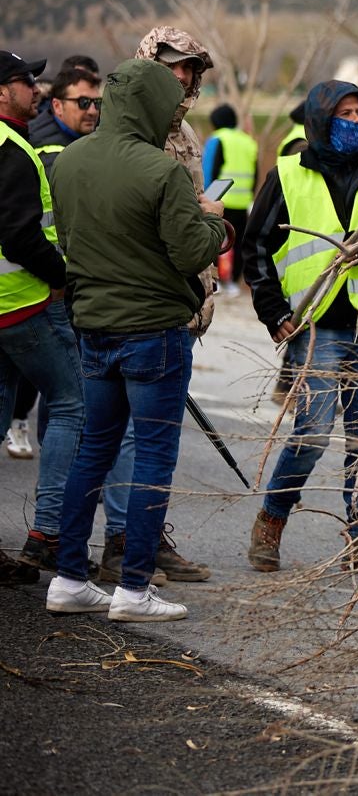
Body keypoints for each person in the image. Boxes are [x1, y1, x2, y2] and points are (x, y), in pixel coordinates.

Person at [46, 57, 229, 621]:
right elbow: (191, 252)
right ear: (152, 106)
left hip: (93, 326)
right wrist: (216, 220)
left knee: (93, 450)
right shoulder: (161, 170)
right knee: (152, 455)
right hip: (153, 331)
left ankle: (69, 577)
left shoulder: (67, 161)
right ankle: (133, 589)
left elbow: (71, 238)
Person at [241, 81, 358, 574]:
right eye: (344, 113)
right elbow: (254, 248)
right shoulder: (287, 175)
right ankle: (272, 518)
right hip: (315, 326)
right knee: (313, 433)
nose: (355, 123)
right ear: (321, 118)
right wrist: (274, 313)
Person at [0, 51, 86, 577]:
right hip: (26, 304)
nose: (36, 88)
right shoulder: (11, 148)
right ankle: (47, 534)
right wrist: (62, 276)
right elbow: (19, 234)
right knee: (74, 404)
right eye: (24, 81)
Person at [203, 103, 258, 294]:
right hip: (242, 201)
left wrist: (205, 197)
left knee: (215, 240)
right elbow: (255, 172)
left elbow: (209, 170)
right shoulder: (248, 141)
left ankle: (214, 279)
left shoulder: (217, 139)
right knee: (239, 243)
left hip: (219, 201)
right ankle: (233, 282)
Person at [28, 63, 102, 176]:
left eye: (97, 103)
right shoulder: (49, 156)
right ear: (58, 106)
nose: (93, 111)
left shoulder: (91, 137)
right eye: (83, 102)